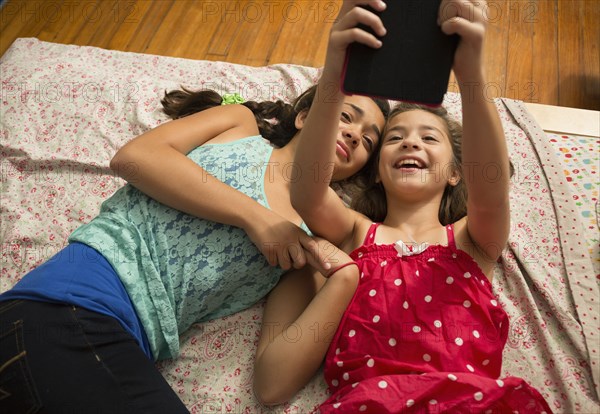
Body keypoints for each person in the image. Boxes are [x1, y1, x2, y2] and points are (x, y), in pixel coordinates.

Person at [0, 36, 389, 414]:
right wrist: (257, 217)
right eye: (345, 116)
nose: (355, 134)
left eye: (369, 141)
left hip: (117, 343)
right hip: (65, 307)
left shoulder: (305, 243)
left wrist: (344, 278)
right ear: (305, 116)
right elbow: (134, 159)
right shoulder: (240, 125)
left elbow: (272, 384)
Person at [253, 0, 553, 412]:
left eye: (430, 138)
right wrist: (335, 71)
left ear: (455, 173)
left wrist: (470, 73)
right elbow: (307, 191)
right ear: (377, 172)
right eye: (395, 138)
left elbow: (491, 186)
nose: (411, 142)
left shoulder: (473, 240)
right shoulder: (356, 234)